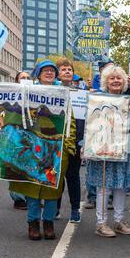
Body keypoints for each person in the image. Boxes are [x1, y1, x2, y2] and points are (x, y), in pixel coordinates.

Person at [9, 60, 76, 240]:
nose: (49, 73)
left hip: (56, 149)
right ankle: (33, 223)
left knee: (53, 190)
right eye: (45, 70)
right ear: (38, 74)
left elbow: (71, 121)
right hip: (33, 148)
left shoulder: (63, 94)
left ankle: (48, 223)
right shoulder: (27, 92)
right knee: (32, 188)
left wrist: (68, 147)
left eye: (52, 71)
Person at [85, 65, 130, 238]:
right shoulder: (97, 99)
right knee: (104, 186)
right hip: (103, 148)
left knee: (121, 186)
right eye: (112, 78)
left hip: (123, 148)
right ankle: (101, 224)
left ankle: (119, 221)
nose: (116, 81)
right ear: (106, 81)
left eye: (119, 78)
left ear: (124, 81)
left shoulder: (129, 100)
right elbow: (90, 123)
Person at [55, 57, 84, 223]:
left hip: (74, 140)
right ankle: (55, 208)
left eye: (69, 69)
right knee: (57, 176)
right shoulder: (52, 90)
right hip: (56, 140)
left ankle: (75, 209)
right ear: (58, 74)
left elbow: (84, 119)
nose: (67, 71)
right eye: (63, 69)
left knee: (73, 176)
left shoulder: (80, 92)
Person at [8, 71, 32, 211]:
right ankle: (18, 198)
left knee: (30, 167)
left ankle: (31, 197)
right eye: (23, 78)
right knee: (15, 168)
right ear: (17, 81)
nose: (26, 80)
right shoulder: (12, 95)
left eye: (28, 78)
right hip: (15, 135)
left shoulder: (37, 95)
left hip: (30, 136)